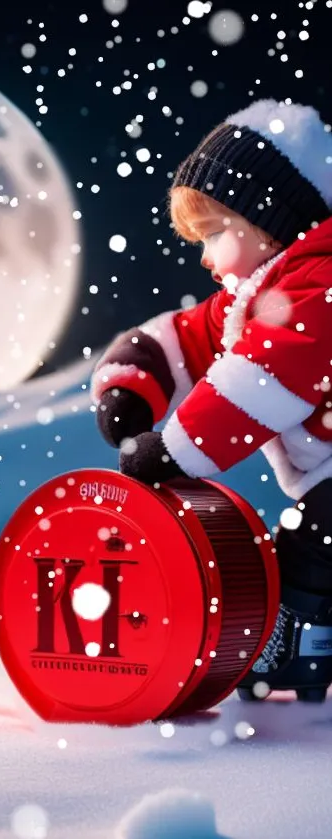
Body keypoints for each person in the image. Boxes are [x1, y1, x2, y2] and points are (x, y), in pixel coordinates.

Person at [90, 98, 332, 702]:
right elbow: (186, 336)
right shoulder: (258, 296)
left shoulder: (318, 288)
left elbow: (260, 378)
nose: (204, 256)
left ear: (271, 220)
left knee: (308, 560)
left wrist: (174, 452)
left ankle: (293, 651)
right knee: (311, 549)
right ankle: (301, 649)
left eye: (216, 233)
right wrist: (131, 382)